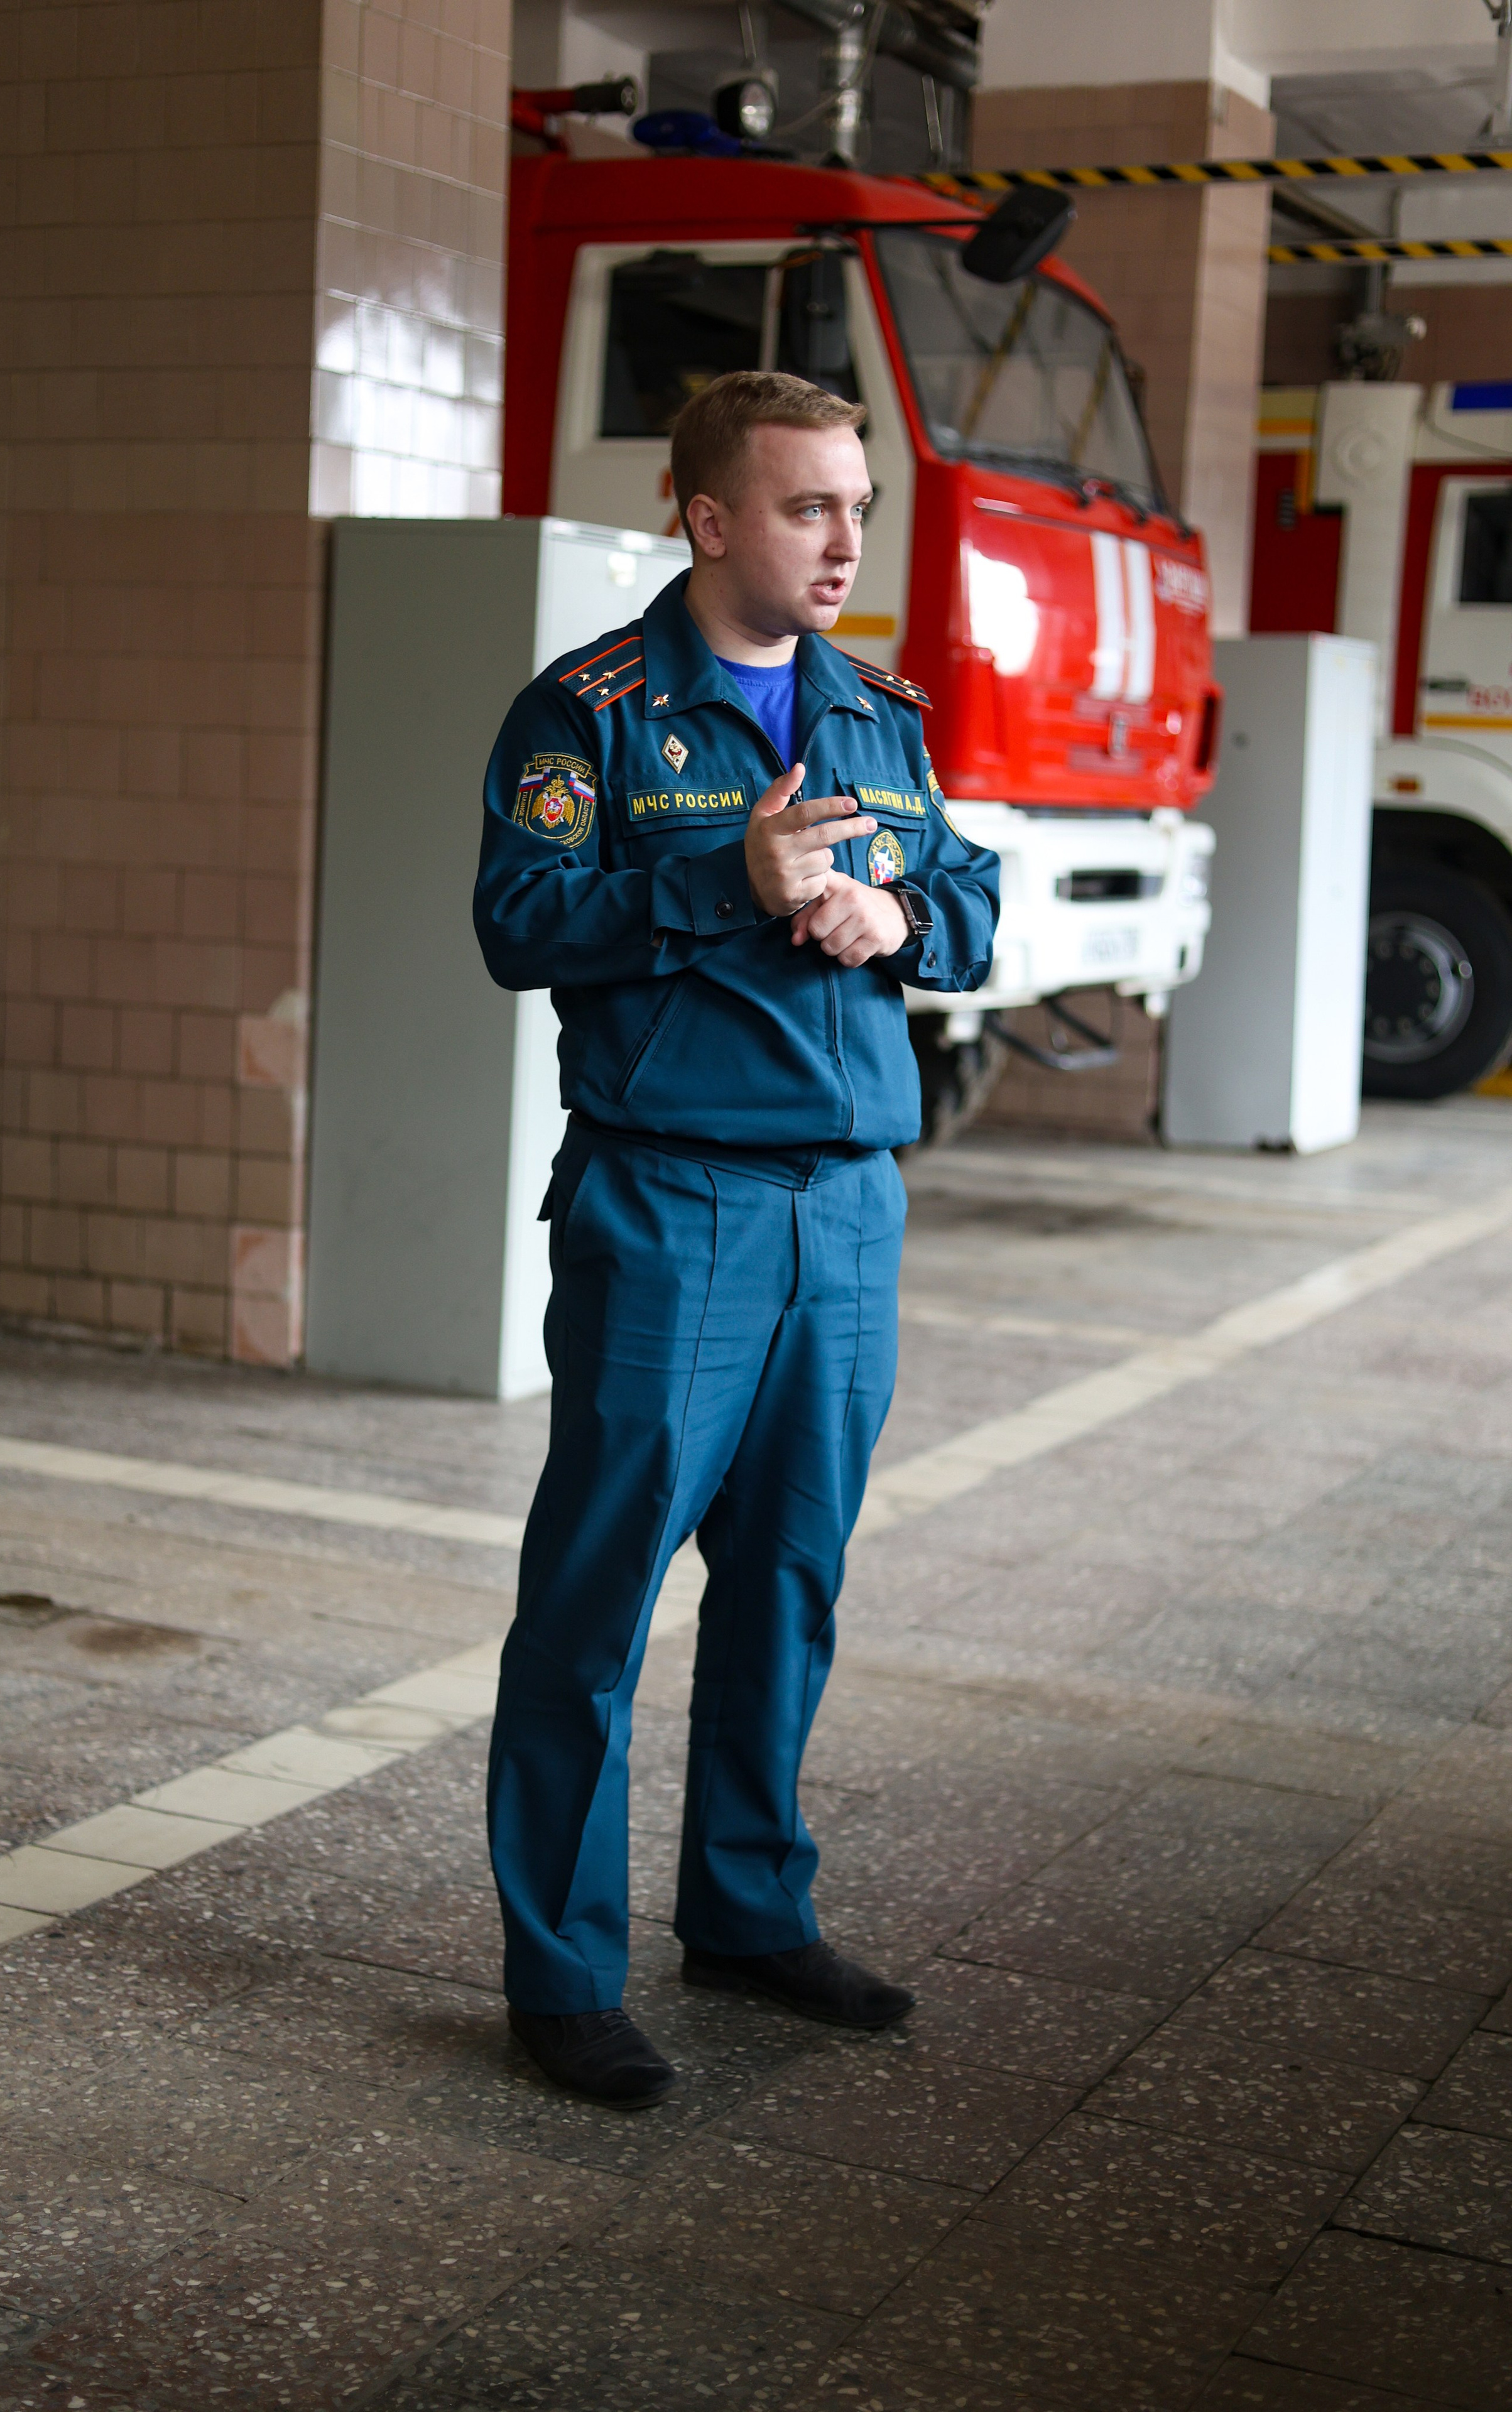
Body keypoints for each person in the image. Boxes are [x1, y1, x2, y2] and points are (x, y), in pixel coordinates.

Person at [474, 369, 1000, 2108]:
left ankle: (751, 1914)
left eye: (856, 503)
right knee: (598, 1598)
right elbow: (519, 921)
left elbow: (977, 902)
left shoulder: (878, 708)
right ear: (708, 518)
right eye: (806, 507)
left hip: (848, 1212)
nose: (847, 537)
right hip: (673, 1206)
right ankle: (561, 1971)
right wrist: (731, 885)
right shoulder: (596, 713)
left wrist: (895, 908)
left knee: (790, 1581)